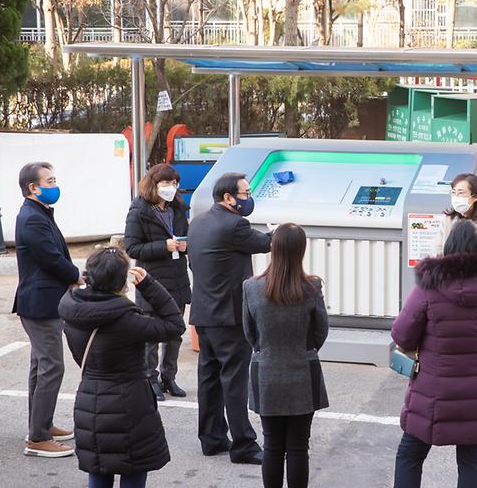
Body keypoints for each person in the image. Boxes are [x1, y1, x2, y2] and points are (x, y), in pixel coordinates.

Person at [391, 219, 477, 488]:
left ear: (450, 246)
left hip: (433, 394)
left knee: (410, 455)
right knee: (472, 461)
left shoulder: (429, 286)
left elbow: (402, 334)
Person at [59, 247, 186, 488]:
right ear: (121, 282)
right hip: (130, 406)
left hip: (89, 402)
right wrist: (150, 285)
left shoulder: (72, 310)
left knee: (98, 469)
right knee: (133, 470)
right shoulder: (128, 320)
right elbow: (174, 324)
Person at [187, 172, 273, 465]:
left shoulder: (197, 223)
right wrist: (283, 232)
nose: (249, 199)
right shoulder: (235, 224)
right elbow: (265, 243)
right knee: (235, 381)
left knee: (209, 379)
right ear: (228, 198)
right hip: (230, 315)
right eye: (246, 193)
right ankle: (244, 445)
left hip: (204, 313)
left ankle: (211, 439)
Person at [243, 223, 329, 488]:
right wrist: (302, 350)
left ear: (273, 248)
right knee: (298, 447)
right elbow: (320, 332)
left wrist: (268, 349)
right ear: (301, 250)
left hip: (266, 370)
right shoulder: (311, 286)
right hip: (303, 370)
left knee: (271, 445)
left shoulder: (251, 287)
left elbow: (250, 333)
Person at [14, 162, 81, 458]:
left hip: (43, 301)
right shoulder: (32, 218)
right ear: (33, 187)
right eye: (50, 180)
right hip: (41, 305)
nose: (55, 184)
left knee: (41, 366)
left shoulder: (39, 213)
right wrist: (76, 276)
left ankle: (41, 424)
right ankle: (38, 438)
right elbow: (51, 259)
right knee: (52, 366)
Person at [124, 163, 191, 401]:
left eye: (174, 184)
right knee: (151, 334)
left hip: (177, 277)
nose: (171, 188)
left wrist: (185, 245)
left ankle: (168, 377)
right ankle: (149, 378)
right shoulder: (139, 210)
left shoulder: (179, 208)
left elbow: (187, 237)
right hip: (150, 280)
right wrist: (164, 246)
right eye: (166, 183)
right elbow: (132, 248)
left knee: (175, 332)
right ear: (154, 184)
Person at [443, 173, 477, 253]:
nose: (456, 197)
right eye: (453, 193)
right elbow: (437, 250)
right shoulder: (447, 219)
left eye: (461, 193)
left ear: (475, 197)